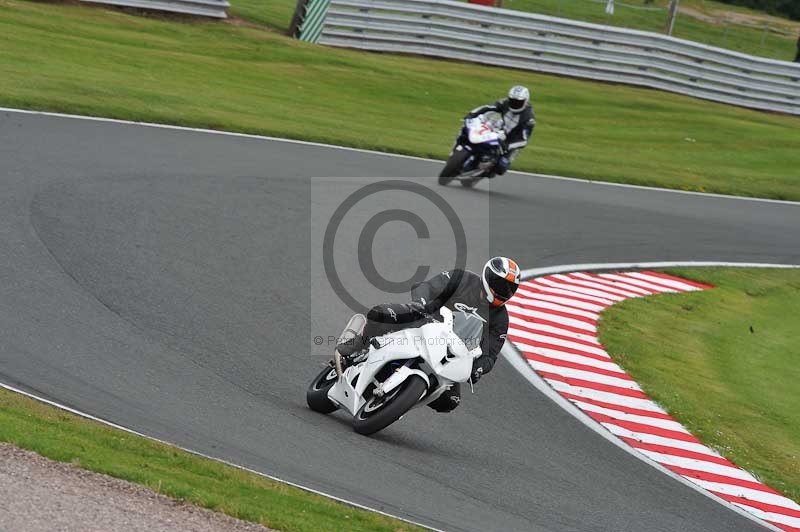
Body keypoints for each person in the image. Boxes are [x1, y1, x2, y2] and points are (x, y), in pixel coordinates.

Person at [334, 257, 522, 413]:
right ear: (488, 276)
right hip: (423, 321)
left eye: (509, 288)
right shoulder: (462, 279)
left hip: (451, 353)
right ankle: (358, 345)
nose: (504, 291)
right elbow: (427, 287)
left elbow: (491, 355)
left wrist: (478, 368)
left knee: (450, 401)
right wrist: (420, 303)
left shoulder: (500, 319)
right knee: (380, 313)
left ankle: (400, 397)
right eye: (500, 285)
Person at [465, 85, 535, 177]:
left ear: (525, 101)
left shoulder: (528, 119)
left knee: (501, 167)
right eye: (512, 100)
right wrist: (472, 114)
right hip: (499, 129)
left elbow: (523, 141)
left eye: (518, 102)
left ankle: (483, 174)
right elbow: (487, 107)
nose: (514, 103)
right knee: (478, 134)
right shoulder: (505, 102)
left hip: (512, 141)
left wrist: (508, 145)